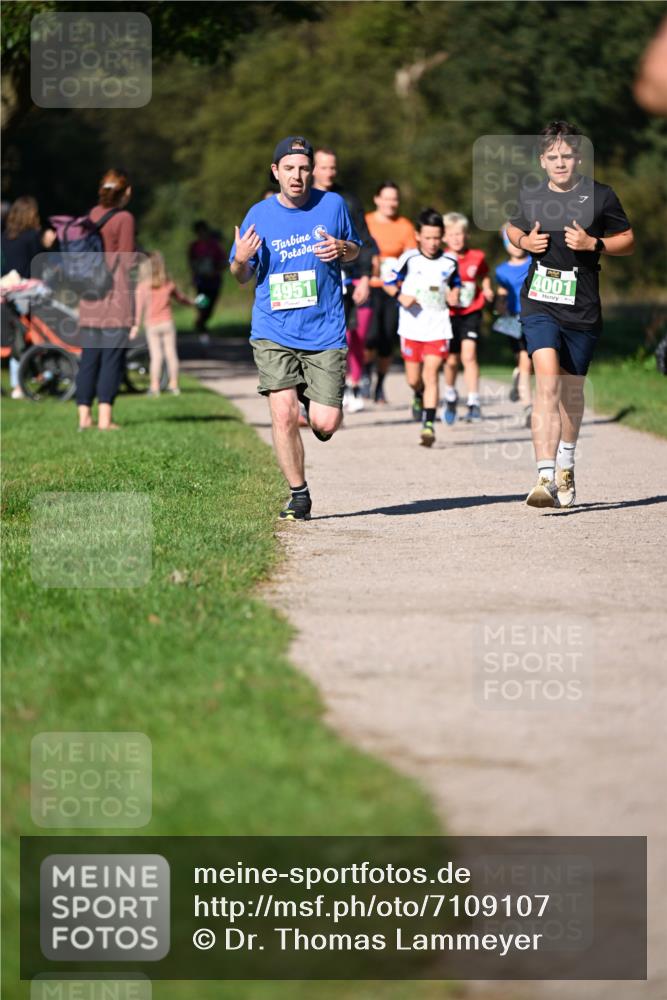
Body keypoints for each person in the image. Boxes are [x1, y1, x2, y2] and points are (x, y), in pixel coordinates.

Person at [229, 136, 361, 521]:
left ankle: (310, 394)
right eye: (289, 168)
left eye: (304, 168)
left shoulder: (333, 205)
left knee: (325, 423)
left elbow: (354, 249)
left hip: (324, 330)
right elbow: (240, 276)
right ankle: (298, 494)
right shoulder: (259, 213)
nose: (297, 176)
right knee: (283, 413)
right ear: (276, 172)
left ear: (313, 170)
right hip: (274, 329)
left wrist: (342, 248)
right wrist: (239, 259)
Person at [506, 121, 634, 508]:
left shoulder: (601, 196)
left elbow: (627, 240)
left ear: (578, 157)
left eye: (567, 155)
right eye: (553, 157)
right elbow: (512, 228)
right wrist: (525, 241)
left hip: (581, 306)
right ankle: (544, 476)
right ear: (542, 161)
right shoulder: (529, 196)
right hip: (540, 301)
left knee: (569, 393)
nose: (560, 163)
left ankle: (566, 463)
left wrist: (593, 242)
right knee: (546, 380)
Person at [384, 208, 460, 447]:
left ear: (443, 236)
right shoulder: (409, 258)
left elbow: (456, 285)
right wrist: (400, 295)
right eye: (427, 237)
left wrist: (455, 295)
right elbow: (388, 282)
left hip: (438, 327)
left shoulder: (450, 261)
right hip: (411, 327)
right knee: (413, 379)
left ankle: (428, 425)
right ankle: (417, 395)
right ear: (418, 235)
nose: (432, 242)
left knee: (431, 375)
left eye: (437, 237)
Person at [312, 147, 378, 413]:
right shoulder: (302, 200)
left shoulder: (347, 200)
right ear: (312, 168)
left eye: (332, 167)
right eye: (324, 167)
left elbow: (363, 240)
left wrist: (363, 278)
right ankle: (312, 392)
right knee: (312, 336)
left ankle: (340, 391)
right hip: (310, 282)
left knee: (342, 336)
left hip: (344, 281)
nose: (329, 172)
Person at [75, 168, 137, 431]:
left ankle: (83, 418)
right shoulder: (124, 218)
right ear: (126, 192)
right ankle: (105, 419)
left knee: (89, 359)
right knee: (111, 359)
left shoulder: (90, 215)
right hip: (114, 297)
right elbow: (126, 261)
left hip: (89, 298)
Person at [364, 182, 417, 403]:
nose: (390, 203)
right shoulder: (365, 222)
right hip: (370, 286)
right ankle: (365, 373)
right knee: (369, 336)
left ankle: (380, 384)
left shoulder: (404, 226)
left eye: (394, 199)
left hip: (394, 289)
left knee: (387, 339)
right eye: (386, 198)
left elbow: (411, 256)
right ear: (377, 199)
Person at [1, 196, 56, 399]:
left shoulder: (5, 236)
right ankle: (43, 374)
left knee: (18, 338)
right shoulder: (32, 236)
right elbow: (40, 262)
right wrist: (48, 244)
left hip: (8, 291)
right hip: (29, 291)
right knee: (35, 335)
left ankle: (17, 385)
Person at [441, 212, 494, 424]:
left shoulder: (477, 256)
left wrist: (488, 289)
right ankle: (451, 395)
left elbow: (484, 274)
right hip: (448, 315)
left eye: (460, 234)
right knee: (451, 360)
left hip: (472, 311)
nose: (456, 238)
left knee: (469, 356)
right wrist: (446, 295)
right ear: (444, 237)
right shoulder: (441, 259)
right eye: (451, 234)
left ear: (466, 235)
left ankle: (473, 402)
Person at [134, 251, 196, 396]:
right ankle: (174, 385)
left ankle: (154, 387)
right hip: (167, 323)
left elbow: (138, 309)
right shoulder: (168, 284)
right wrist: (192, 303)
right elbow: (182, 299)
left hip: (152, 324)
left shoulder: (143, 286)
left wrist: (135, 327)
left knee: (156, 356)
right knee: (171, 354)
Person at [493, 225, 533, 427]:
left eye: (519, 238)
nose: (516, 245)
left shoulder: (535, 262)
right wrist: (498, 305)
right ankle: (528, 408)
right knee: (526, 361)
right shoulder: (501, 270)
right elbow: (501, 294)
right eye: (510, 241)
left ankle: (518, 376)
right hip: (513, 320)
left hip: (535, 316)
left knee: (530, 364)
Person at [188, 221, 226, 333]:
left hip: (214, 281)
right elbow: (191, 263)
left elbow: (224, 262)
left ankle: (202, 322)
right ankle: (200, 323)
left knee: (210, 305)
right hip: (201, 281)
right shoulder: (194, 246)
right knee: (202, 303)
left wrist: (215, 271)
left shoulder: (214, 246)